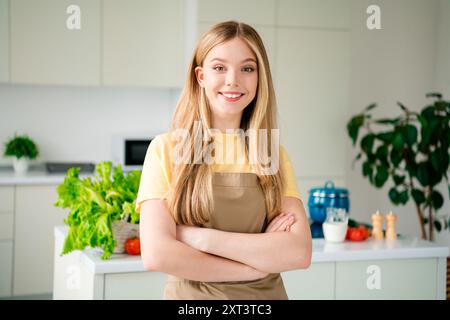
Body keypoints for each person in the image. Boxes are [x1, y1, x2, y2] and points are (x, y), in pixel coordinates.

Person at [136, 20, 312, 300]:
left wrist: (199, 238)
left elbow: (298, 253)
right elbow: (157, 255)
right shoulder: (169, 149)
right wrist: (253, 265)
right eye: (219, 67)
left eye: (247, 68)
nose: (233, 80)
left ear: (259, 77)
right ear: (200, 76)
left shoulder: (270, 153)